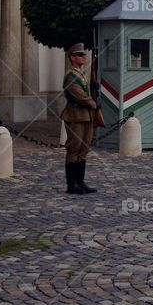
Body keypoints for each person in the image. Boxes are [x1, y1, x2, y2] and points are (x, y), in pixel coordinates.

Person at [61, 43, 97, 195]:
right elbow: (80, 96)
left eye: (84, 54)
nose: (84, 57)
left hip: (86, 116)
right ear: (72, 57)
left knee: (83, 149)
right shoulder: (70, 76)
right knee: (74, 149)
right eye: (80, 55)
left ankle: (80, 182)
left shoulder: (81, 74)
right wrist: (94, 104)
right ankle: (72, 184)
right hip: (75, 116)